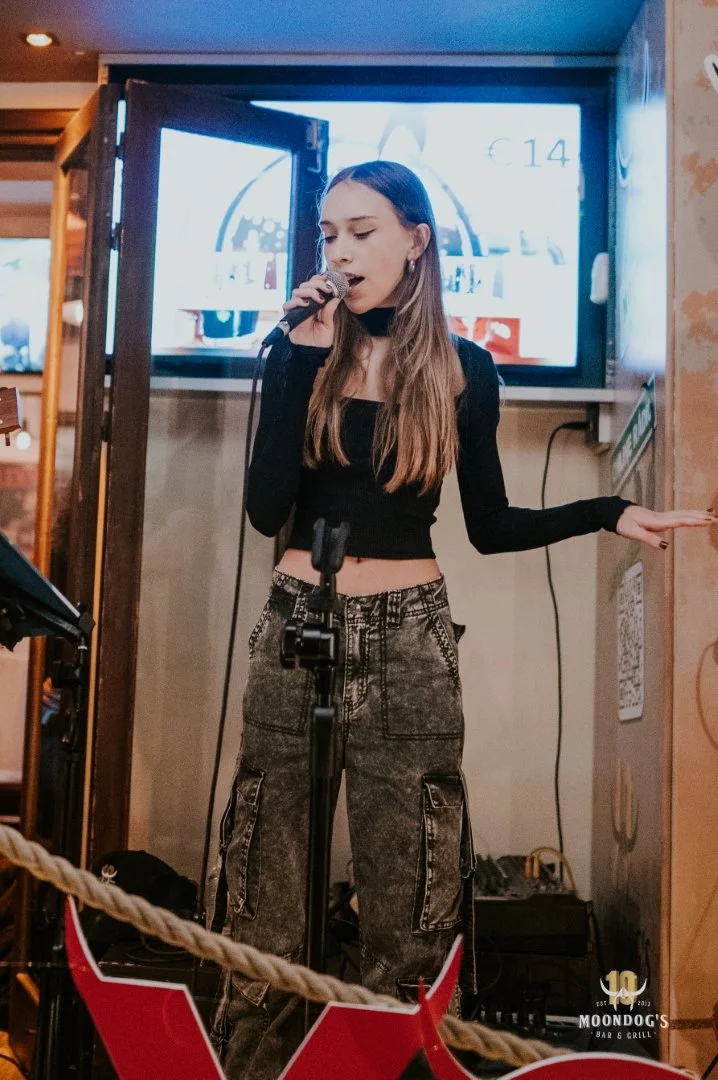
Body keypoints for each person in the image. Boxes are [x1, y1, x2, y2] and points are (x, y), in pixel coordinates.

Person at [208, 160, 716, 1080]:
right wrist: (299, 358)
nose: (341, 251)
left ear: (416, 241)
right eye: (329, 234)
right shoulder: (300, 354)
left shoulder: (463, 370)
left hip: (409, 638)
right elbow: (265, 507)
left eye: (363, 231)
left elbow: (492, 524)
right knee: (263, 900)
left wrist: (607, 512)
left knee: (411, 909)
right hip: (295, 625)